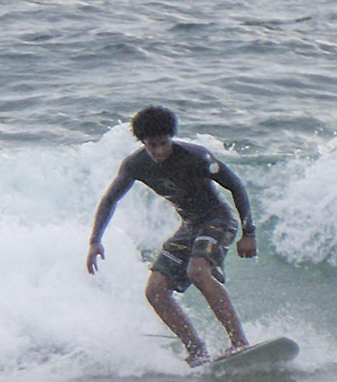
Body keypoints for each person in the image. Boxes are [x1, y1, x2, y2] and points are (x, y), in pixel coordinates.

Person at [86, 106, 257, 367]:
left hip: (217, 219)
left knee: (197, 271)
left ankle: (239, 342)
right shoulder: (136, 164)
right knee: (155, 290)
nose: (158, 151)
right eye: (151, 145)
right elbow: (110, 199)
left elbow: (235, 185)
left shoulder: (196, 157)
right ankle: (196, 350)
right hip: (189, 226)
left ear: (171, 138)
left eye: (163, 144)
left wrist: (249, 232)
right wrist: (95, 241)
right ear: (143, 143)